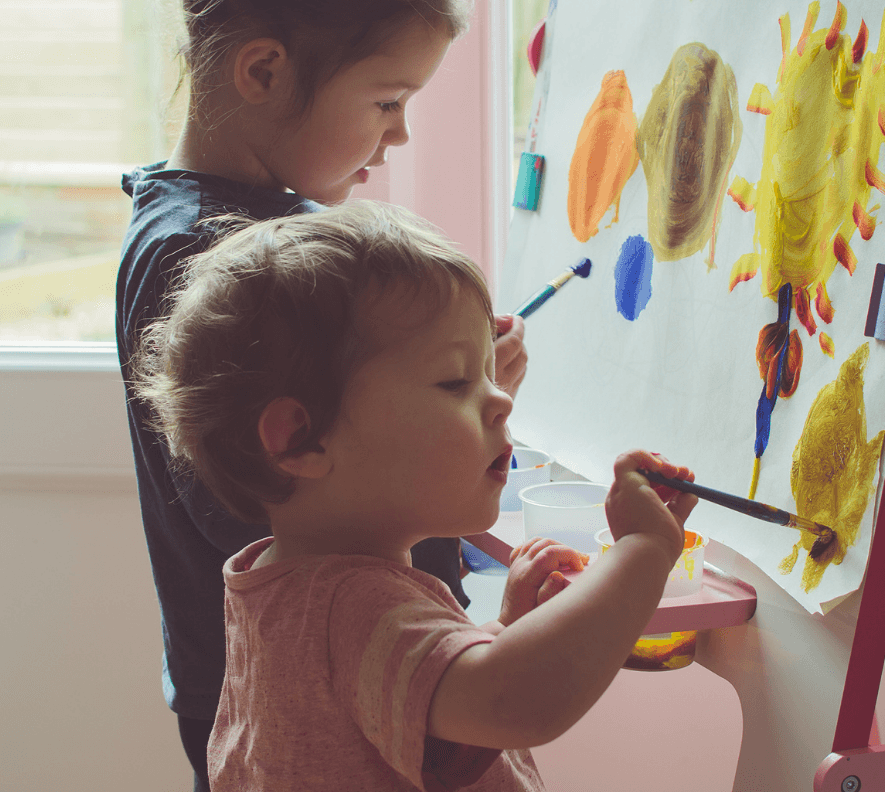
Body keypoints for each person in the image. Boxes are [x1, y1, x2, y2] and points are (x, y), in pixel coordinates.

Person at [114, 0, 527, 791]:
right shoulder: (212, 260)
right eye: (386, 103)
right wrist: (430, 420)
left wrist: (444, 387)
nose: (393, 141)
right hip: (312, 734)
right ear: (264, 69)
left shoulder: (240, 231)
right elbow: (286, 506)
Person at [135, 202, 698, 791]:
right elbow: (514, 702)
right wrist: (645, 550)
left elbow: (425, 752)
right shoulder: (348, 605)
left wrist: (498, 636)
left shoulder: (281, 588)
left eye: (488, 373)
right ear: (301, 440)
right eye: (456, 380)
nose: (501, 400)